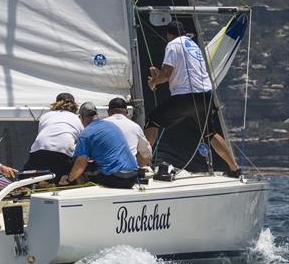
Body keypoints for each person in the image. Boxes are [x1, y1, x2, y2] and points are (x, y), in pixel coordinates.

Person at [145, 20, 240, 177]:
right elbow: (178, 74)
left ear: (169, 34)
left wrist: (153, 81)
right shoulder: (193, 46)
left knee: (152, 121)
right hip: (205, 96)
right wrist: (159, 75)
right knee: (210, 133)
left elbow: (167, 74)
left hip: (186, 97)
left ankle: (141, 167)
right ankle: (234, 169)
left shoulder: (173, 44)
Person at [59, 102, 138, 189]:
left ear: (81, 117)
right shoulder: (111, 125)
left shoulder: (86, 134)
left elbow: (80, 164)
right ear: (96, 114)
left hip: (116, 178)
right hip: (133, 177)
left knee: (76, 165)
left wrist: (69, 179)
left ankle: (83, 194)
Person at [24, 92, 83, 184]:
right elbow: (80, 142)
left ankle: (30, 183)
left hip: (39, 151)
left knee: (29, 173)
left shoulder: (45, 116)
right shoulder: (77, 118)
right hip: (62, 153)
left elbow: (44, 135)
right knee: (65, 175)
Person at [105, 97, 152, 166]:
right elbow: (147, 152)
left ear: (108, 112)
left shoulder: (99, 125)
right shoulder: (135, 127)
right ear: (127, 111)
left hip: (106, 172)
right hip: (129, 173)